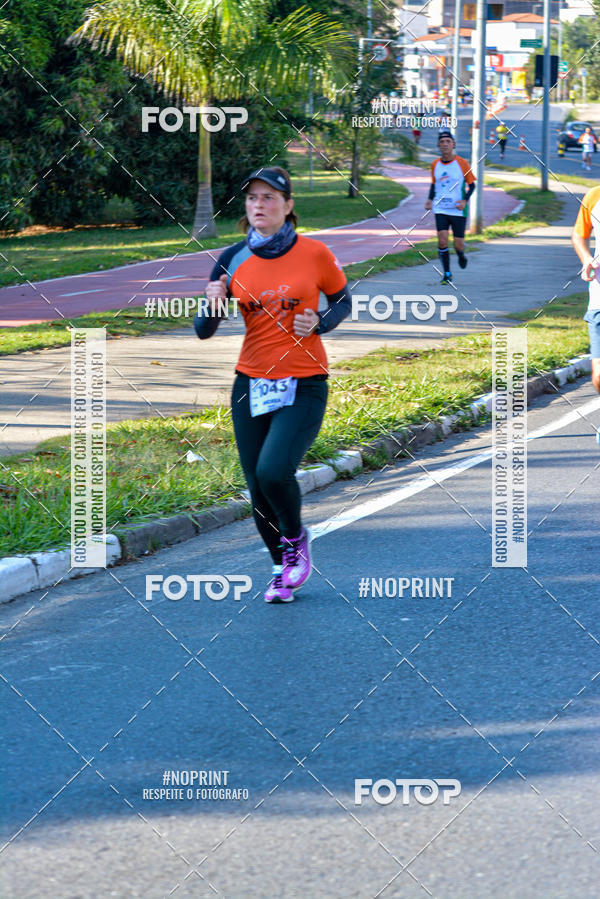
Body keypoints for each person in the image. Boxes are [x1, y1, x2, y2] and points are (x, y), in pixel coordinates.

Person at [194, 166, 351, 603]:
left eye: (268, 198)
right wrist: (210, 304)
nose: (258, 205)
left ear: (288, 206)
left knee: (273, 470)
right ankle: (281, 567)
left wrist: (319, 321)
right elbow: (204, 330)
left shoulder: (315, 253)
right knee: (256, 485)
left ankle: (296, 538)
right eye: (252, 199)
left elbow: (342, 301)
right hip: (250, 382)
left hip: (304, 381)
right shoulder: (231, 257)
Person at [424, 130, 476, 285]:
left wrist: (465, 201)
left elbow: (472, 185)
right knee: (442, 241)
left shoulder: (462, 163)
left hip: (458, 209)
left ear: (453, 145)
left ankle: (461, 254)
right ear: (438, 145)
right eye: (442, 142)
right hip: (440, 208)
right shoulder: (435, 164)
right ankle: (447, 274)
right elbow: (434, 184)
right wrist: (429, 200)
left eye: (448, 141)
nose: (445, 144)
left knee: (458, 244)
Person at [571, 184, 600, 422]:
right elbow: (579, 234)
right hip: (599, 296)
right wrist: (586, 258)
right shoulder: (594, 195)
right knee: (599, 376)